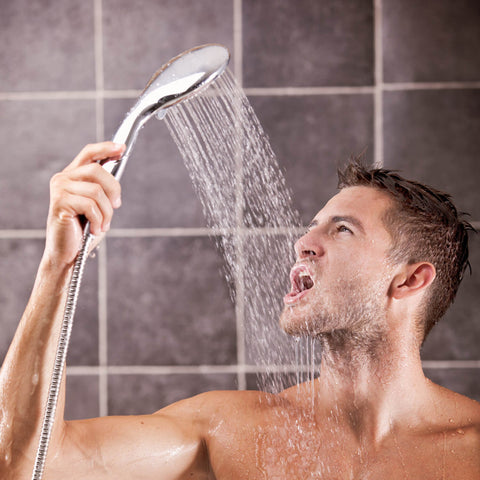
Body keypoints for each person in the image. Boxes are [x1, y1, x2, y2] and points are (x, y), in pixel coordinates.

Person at [0, 141, 479, 479]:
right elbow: (25, 465)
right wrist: (58, 267)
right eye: (312, 228)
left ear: (410, 279)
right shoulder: (228, 431)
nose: (303, 243)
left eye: (342, 230)